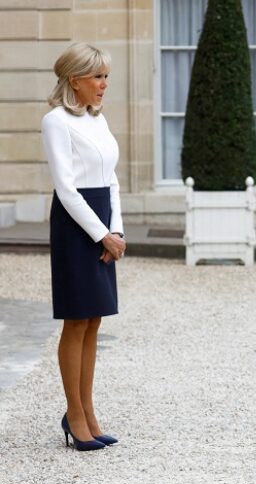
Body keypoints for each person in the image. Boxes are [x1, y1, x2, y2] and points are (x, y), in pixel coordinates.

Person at [41, 43, 126, 451]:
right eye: (97, 76)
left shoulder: (98, 119)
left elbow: (111, 179)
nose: (104, 84)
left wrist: (118, 231)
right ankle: (74, 414)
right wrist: (101, 234)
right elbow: (66, 188)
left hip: (103, 221)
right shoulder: (55, 122)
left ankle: (88, 411)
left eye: (106, 76)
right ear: (74, 80)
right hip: (76, 225)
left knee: (94, 320)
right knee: (76, 320)